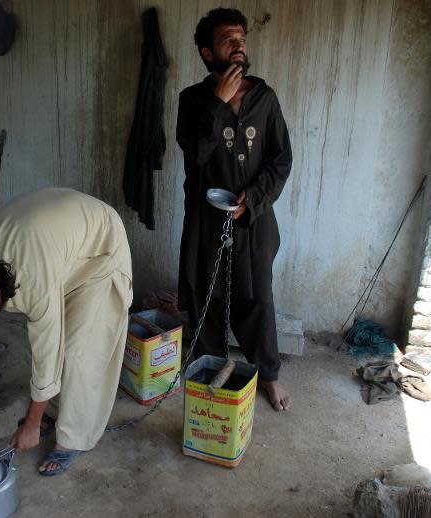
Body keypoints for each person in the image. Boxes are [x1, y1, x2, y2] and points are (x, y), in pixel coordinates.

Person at [0, 188, 133, 475]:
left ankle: (73, 439)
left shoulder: (33, 282)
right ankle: (51, 412)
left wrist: (31, 425)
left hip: (99, 250)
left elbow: (47, 354)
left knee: (78, 352)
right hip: (59, 247)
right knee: (61, 345)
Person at [175, 8, 292, 411]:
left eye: (242, 38)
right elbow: (195, 155)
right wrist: (218, 104)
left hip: (254, 220)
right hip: (206, 222)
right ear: (208, 53)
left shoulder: (265, 98)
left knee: (257, 295)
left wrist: (254, 199)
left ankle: (269, 374)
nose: (239, 45)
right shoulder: (192, 100)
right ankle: (208, 369)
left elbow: (281, 159)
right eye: (229, 39)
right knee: (202, 289)